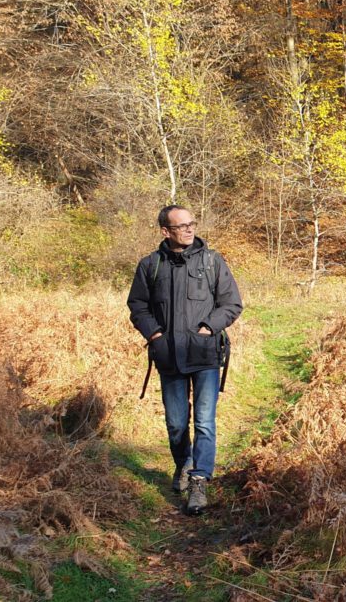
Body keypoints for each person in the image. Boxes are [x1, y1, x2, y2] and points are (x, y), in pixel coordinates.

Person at [127, 205, 243, 516]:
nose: (189, 230)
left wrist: (209, 327)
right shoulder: (150, 265)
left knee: (205, 422)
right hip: (168, 357)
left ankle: (199, 480)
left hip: (205, 355)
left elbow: (232, 303)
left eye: (192, 224)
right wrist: (154, 336)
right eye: (181, 226)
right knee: (176, 423)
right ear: (166, 231)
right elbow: (137, 306)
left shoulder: (212, 261)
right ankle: (183, 463)